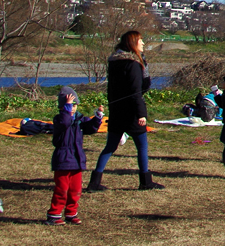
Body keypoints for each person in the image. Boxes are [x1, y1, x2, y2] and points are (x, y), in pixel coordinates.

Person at [87, 30, 164, 191]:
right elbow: (136, 92)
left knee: (110, 146)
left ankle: (94, 181)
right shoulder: (133, 64)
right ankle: (145, 180)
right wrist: (141, 113)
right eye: (141, 41)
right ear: (133, 43)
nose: (143, 44)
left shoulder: (114, 62)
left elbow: (113, 90)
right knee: (142, 146)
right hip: (131, 113)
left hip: (116, 111)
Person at [46, 87, 104, 225]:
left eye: (74, 105)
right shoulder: (60, 119)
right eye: (70, 105)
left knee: (75, 190)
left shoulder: (79, 119)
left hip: (77, 159)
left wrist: (97, 117)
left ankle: (71, 213)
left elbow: (90, 128)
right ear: (62, 107)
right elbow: (65, 123)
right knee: (62, 189)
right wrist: (66, 109)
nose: (72, 108)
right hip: (62, 159)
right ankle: (54, 214)